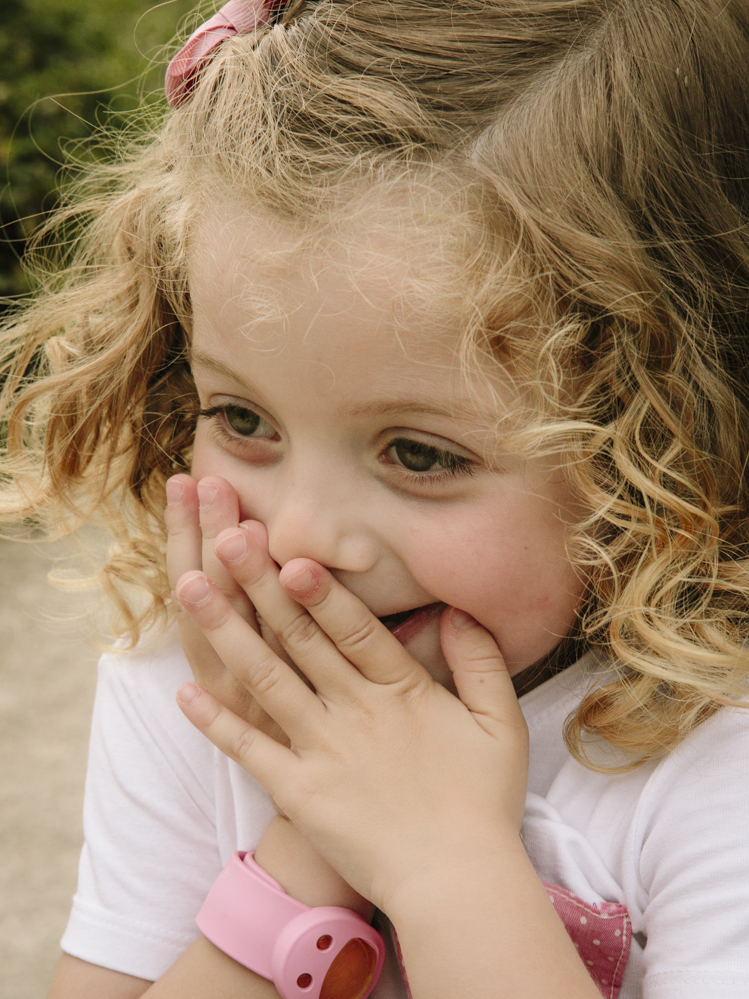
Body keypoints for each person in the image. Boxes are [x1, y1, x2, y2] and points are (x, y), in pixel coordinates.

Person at [1, 0, 748, 996]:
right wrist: (310, 835)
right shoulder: (182, 689)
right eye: (243, 419)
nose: (300, 535)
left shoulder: (711, 762)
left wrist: (442, 867)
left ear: (671, 442)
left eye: (417, 454)